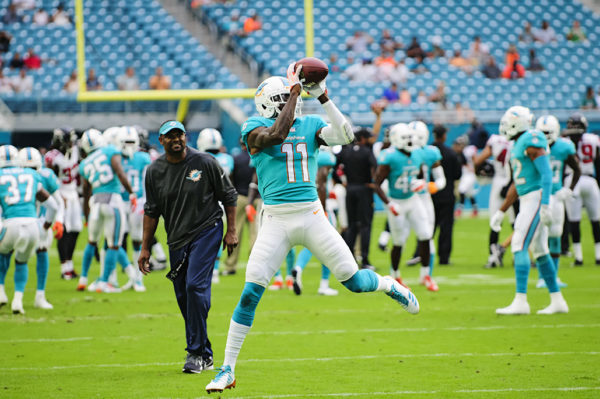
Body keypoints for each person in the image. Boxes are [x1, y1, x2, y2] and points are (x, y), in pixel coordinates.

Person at [205, 67, 419, 393]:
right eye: (286, 97)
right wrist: (293, 92)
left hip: (312, 215)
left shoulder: (310, 124)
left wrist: (323, 95)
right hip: (276, 219)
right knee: (250, 293)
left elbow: (346, 135)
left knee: (355, 281)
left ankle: (389, 285)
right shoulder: (254, 127)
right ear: (269, 103)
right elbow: (276, 136)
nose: (296, 99)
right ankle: (227, 369)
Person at [139, 120, 237, 374]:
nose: (176, 140)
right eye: (170, 136)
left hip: (207, 230)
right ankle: (205, 352)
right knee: (184, 295)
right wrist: (146, 248)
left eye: (179, 135)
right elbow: (151, 211)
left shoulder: (205, 162)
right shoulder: (154, 171)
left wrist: (232, 231)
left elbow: (228, 195)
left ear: (186, 137)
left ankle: (194, 353)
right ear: (161, 140)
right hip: (176, 239)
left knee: (195, 285)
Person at [490, 106, 568, 315]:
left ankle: (521, 301)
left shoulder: (531, 138)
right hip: (527, 198)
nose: (505, 126)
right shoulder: (518, 144)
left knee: (519, 243)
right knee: (541, 251)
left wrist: (544, 205)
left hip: (536, 198)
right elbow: (517, 182)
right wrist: (501, 210)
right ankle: (558, 300)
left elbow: (546, 174)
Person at [76, 129, 137, 293]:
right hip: (112, 199)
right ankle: (104, 282)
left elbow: (85, 190)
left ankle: (83, 278)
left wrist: (87, 215)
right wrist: (131, 192)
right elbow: (120, 172)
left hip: (95, 201)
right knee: (114, 244)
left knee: (91, 241)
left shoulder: (84, 164)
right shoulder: (110, 150)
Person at [0, 145, 59, 314]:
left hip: (10, 223)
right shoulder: (32, 175)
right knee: (22, 261)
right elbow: (53, 206)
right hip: (33, 226)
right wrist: (46, 225)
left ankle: (1, 292)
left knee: (3, 254)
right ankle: (17, 301)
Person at [534, 115, 580, 287]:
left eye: (548, 132)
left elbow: (577, 169)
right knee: (540, 237)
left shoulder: (563, 147)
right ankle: (541, 276)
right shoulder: (532, 147)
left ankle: (553, 276)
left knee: (555, 236)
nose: (545, 136)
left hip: (555, 196)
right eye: (542, 132)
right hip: (538, 195)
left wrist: (569, 189)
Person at [17, 147, 65, 309]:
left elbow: (59, 201)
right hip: (31, 221)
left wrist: (58, 221)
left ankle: (38, 295)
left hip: (39, 221)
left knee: (40, 251)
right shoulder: (42, 175)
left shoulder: (46, 176)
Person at [290, 148, 340, 296]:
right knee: (329, 244)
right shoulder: (326, 157)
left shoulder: (305, 153)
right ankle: (324, 285)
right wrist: (323, 209)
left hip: (304, 203)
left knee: (313, 243)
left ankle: (298, 268)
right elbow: (322, 184)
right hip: (320, 205)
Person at [195, 128, 234, 283]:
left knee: (200, 237)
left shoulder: (199, 159)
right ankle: (215, 270)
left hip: (205, 202)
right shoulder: (228, 159)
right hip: (223, 202)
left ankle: (205, 269)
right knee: (216, 237)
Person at [474, 119, 513, 268]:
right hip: (514, 182)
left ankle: (493, 258)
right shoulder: (519, 141)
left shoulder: (496, 141)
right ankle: (519, 255)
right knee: (517, 222)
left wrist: (481, 171)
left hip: (498, 182)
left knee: (495, 221)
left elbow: (478, 161)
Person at [336, 127, 377, 269]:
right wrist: (374, 183)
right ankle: (365, 260)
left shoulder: (346, 151)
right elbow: (375, 167)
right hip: (364, 189)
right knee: (365, 226)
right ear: (363, 139)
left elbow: (335, 167)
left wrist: (341, 182)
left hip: (350, 189)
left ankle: (350, 259)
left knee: (352, 225)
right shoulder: (367, 152)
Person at [44, 127, 82, 279]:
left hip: (73, 193)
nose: (71, 144)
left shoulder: (74, 151)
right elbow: (49, 179)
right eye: (68, 141)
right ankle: (64, 267)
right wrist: (57, 195)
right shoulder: (51, 156)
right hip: (61, 194)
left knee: (76, 229)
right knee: (64, 231)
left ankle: (70, 265)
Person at [562, 113, 600, 265]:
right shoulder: (593, 139)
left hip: (572, 179)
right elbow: (598, 164)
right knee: (595, 220)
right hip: (590, 179)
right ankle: (598, 256)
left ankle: (579, 258)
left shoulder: (564, 141)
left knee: (574, 221)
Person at [117, 127, 151, 291]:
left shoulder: (143, 158)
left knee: (137, 240)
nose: (129, 146)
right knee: (114, 240)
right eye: (126, 142)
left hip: (136, 202)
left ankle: (138, 279)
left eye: (132, 142)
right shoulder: (115, 157)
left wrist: (145, 201)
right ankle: (113, 278)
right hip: (118, 201)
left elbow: (148, 182)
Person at [224, 139, 257, 275]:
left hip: (239, 198)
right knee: (255, 234)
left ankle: (230, 266)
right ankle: (255, 267)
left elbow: (230, 179)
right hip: (256, 198)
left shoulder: (235, 159)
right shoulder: (257, 157)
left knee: (234, 233)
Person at [431, 124, 461, 264]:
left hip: (431, 194)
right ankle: (444, 258)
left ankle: (422, 254)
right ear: (444, 136)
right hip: (447, 195)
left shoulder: (427, 152)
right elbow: (457, 174)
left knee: (428, 227)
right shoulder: (450, 153)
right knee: (446, 227)